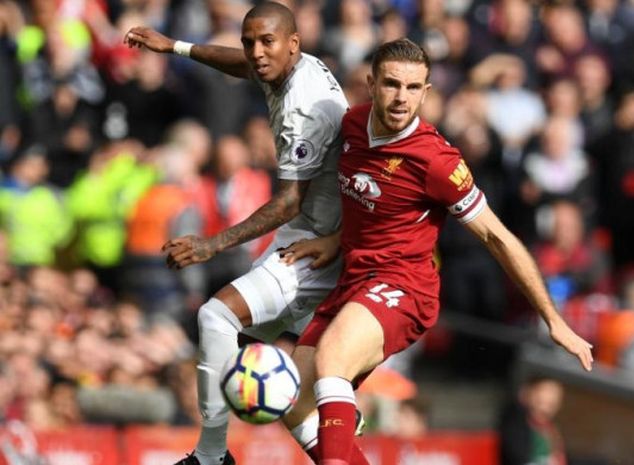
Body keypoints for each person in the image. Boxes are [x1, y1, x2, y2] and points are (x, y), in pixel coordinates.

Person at [281, 38, 593, 465]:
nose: (401, 98)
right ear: (371, 84)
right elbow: (366, 206)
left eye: (413, 88)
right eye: (391, 85)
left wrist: (553, 318)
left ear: (427, 92)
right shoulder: (350, 126)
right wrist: (332, 240)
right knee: (292, 399)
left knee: (333, 356)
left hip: (405, 288)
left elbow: (498, 237)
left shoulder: (437, 161)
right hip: (353, 281)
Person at [124, 3, 349, 465]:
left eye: (266, 42)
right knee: (281, 387)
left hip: (317, 247)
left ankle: (210, 457)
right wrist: (177, 47)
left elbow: (290, 200)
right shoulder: (294, 65)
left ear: (293, 44)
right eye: (250, 42)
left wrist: (212, 243)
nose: (256, 53)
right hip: (307, 235)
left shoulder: (304, 108)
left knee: (216, 318)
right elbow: (246, 65)